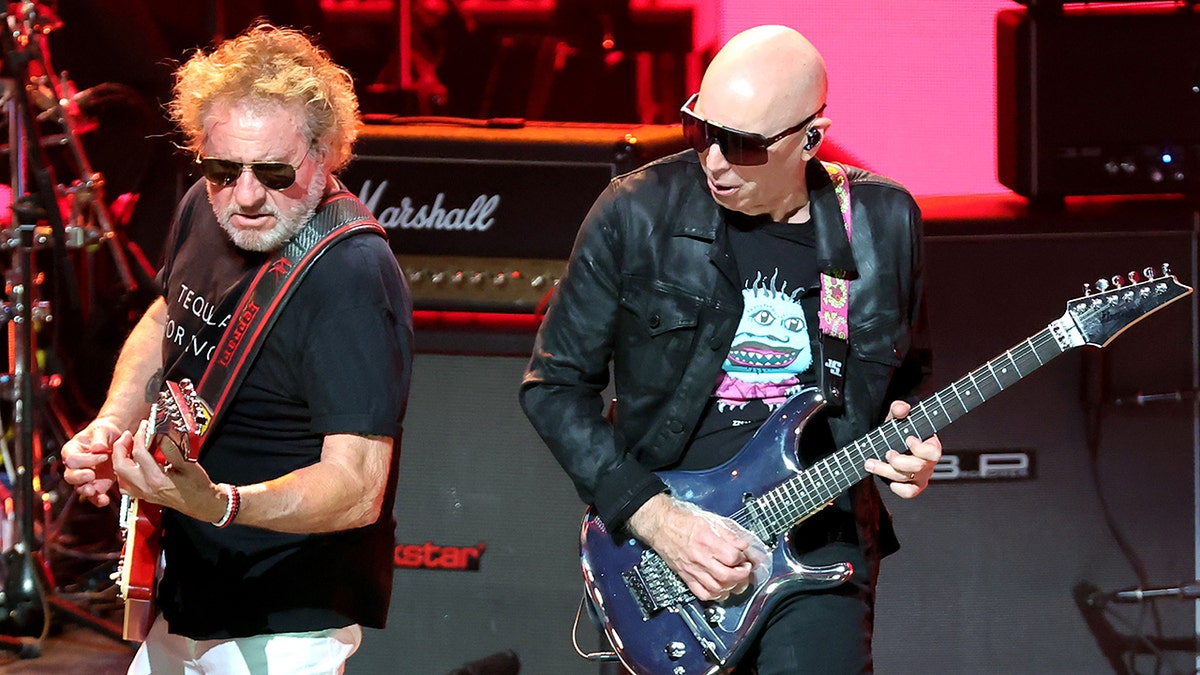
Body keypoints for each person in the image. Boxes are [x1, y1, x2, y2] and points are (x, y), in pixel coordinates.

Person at [519, 24, 940, 674]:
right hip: (665, 548)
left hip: (819, 536)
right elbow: (554, 388)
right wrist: (659, 520)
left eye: (742, 144)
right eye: (703, 130)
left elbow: (905, 374)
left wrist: (910, 444)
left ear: (810, 138)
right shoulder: (636, 212)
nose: (714, 159)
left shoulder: (884, 222)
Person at [61, 24, 412, 673]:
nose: (246, 196)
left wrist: (222, 502)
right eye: (225, 170)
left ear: (324, 153)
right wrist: (112, 423)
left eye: (274, 172)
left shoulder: (353, 277)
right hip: (182, 589)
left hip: (280, 624)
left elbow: (358, 486)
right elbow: (165, 315)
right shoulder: (204, 204)